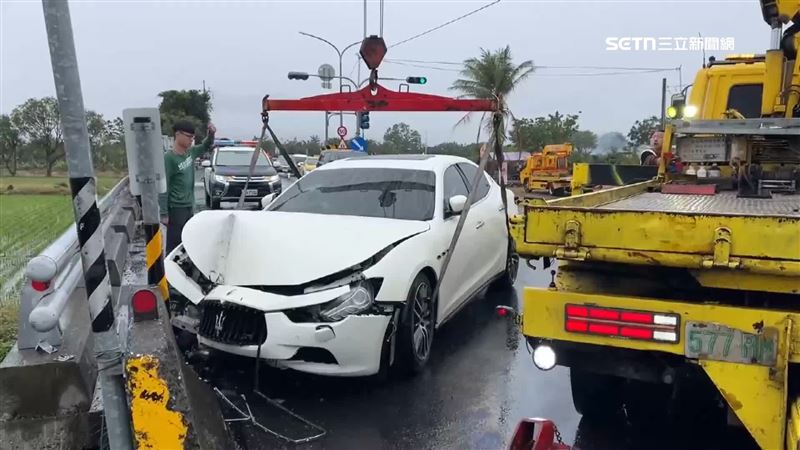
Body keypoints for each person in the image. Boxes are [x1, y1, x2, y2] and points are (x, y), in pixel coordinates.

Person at [159, 120, 216, 254]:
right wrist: (163, 213)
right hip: (176, 208)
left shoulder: (190, 153)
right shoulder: (169, 158)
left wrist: (211, 133)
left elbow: (206, 145)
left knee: (188, 243)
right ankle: (170, 273)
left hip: (189, 206)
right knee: (175, 246)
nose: (191, 140)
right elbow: (163, 186)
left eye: (193, 137)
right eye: (189, 136)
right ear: (178, 135)